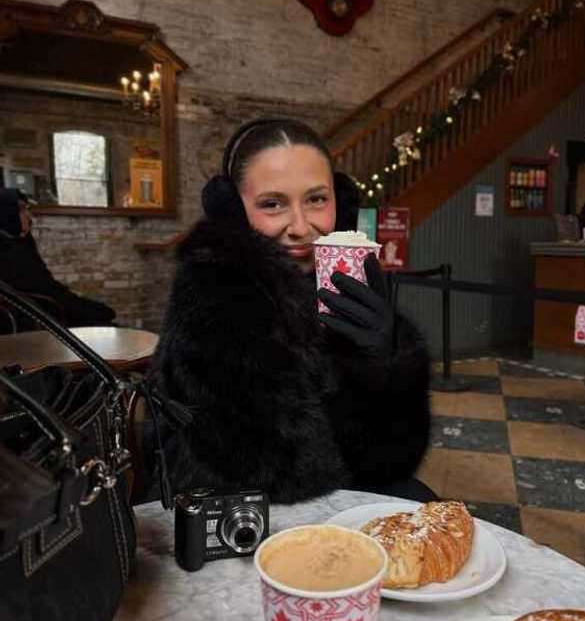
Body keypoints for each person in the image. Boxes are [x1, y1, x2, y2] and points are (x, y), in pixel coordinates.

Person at [151, 118, 433, 504]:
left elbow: (391, 460)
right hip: (239, 508)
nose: (301, 227)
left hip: (335, 489)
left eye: (317, 199)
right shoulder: (212, 288)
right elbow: (264, 470)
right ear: (232, 208)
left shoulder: (342, 276)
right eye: (272, 204)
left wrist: (386, 364)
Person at [0, 187, 117, 330]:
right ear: (7, 213)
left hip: (45, 314)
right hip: (44, 323)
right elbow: (49, 294)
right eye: (22, 210)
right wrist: (94, 310)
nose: (29, 216)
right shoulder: (11, 253)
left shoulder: (18, 244)